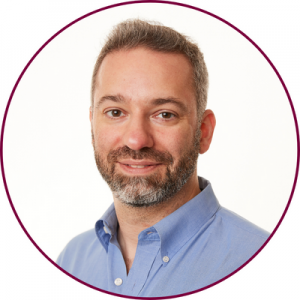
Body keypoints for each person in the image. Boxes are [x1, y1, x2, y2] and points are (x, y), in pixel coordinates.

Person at [57, 19, 269, 297]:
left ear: (203, 132)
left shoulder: (264, 264)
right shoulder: (71, 262)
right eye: (115, 112)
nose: (136, 140)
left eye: (164, 114)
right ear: (92, 123)